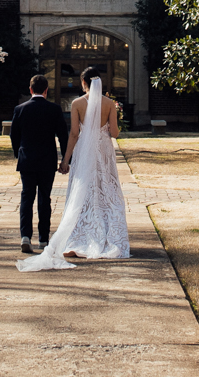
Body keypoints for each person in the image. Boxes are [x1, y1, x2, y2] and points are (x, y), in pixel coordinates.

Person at [17, 65, 129, 271]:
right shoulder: (110, 104)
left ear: (83, 83)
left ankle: (78, 237)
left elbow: (74, 134)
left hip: (84, 152)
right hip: (103, 153)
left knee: (82, 192)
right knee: (106, 192)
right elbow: (115, 133)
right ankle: (107, 237)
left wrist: (66, 160)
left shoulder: (77, 103)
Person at [10, 74, 66, 254]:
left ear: (30, 89)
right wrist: (65, 159)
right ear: (46, 90)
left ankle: (25, 236)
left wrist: (18, 153)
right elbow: (63, 136)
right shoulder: (54, 109)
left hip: (27, 160)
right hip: (47, 160)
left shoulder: (20, 109)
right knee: (45, 199)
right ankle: (43, 239)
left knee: (26, 197)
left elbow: (14, 136)